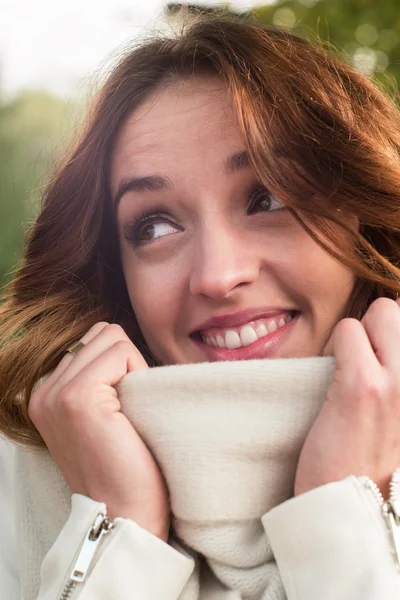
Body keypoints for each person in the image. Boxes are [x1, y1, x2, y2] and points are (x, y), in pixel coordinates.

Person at [1, 13, 400, 600]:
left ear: (362, 216)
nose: (218, 275)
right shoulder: (20, 476)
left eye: (268, 196)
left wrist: (342, 512)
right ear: (115, 272)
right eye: (155, 225)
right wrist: (115, 533)